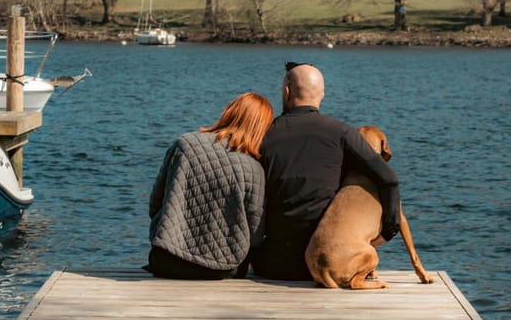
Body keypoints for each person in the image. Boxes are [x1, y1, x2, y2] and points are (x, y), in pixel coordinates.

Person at [251, 62, 401, 280]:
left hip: (273, 265)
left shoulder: (264, 136)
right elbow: (388, 179)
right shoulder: (341, 132)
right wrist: (387, 232)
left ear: (286, 91)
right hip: (327, 263)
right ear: (322, 95)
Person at [147, 92, 273, 279]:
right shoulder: (254, 169)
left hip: (168, 260)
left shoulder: (184, 144)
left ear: (229, 112)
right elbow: (255, 235)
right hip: (223, 268)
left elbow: (155, 205)